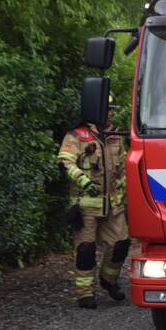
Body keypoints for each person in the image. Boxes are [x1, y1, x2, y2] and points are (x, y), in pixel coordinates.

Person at [57, 92, 135, 309]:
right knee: (86, 250)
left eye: (113, 109)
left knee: (121, 244)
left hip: (114, 206)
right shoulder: (77, 136)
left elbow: (123, 170)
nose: (111, 113)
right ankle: (84, 293)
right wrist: (83, 180)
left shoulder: (115, 137)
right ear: (96, 110)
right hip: (86, 208)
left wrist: (127, 196)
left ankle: (108, 280)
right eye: (108, 109)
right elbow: (64, 162)